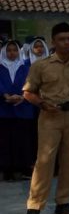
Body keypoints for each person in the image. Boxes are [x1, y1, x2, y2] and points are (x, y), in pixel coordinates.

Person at [22, 22, 69, 214]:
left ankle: (63, 201)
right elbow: (28, 92)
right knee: (44, 160)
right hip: (49, 116)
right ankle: (35, 205)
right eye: (62, 39)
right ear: (53, 42)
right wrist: (43, 104)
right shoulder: (41, 66)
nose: (67, 43)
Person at [1, 40, 35, 182]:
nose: (12, 53)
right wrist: (5, 95)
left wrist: (22, 96)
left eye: (15, 50)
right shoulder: (0, 67)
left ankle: (22, 168)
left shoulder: (25, 67)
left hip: (22, 108)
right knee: (5, 141)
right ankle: (7, 169)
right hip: (4, 109)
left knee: (22, 140)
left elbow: (30, 84)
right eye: (9, 50)